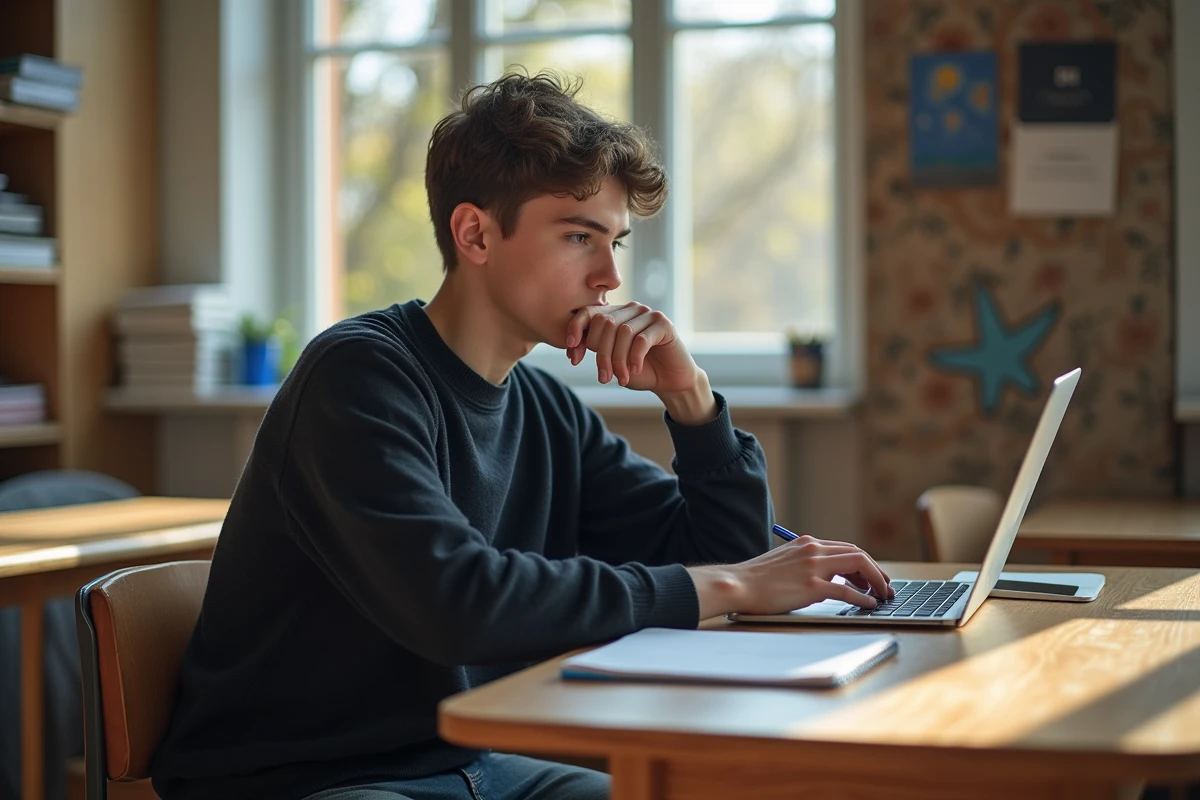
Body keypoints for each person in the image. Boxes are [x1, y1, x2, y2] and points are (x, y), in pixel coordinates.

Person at [150, 70, 894, 800]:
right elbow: (458, 601)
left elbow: (723, 554)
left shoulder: (544, 407)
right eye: (579, 236)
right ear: (474, 233)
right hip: (307, 778)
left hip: (475, 764)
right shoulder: (357, 377)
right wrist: (732, 584)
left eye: (615, 242)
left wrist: (691, 400)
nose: (609, 277)